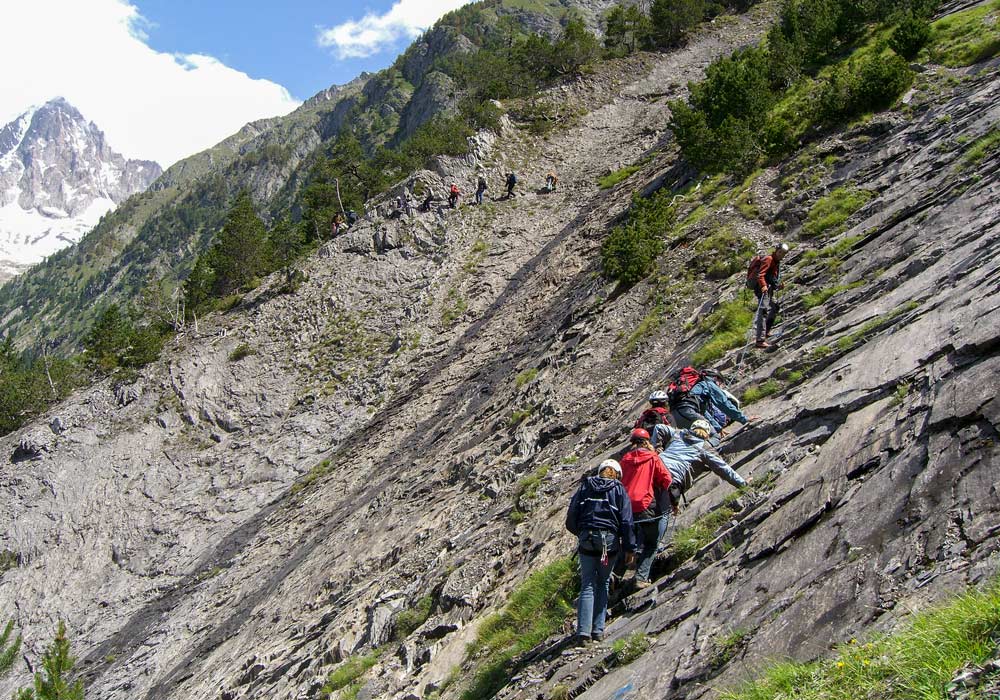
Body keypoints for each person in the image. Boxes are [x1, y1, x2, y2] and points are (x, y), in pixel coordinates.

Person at [565, 459, 637, 644]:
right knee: (603, 582)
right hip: (609, 540)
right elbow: (627, 521)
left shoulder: (585, 486)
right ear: (617, 474)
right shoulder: (619, 490)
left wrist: (579, 532)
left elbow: (572, 514)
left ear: (601, 470)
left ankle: (583, 633)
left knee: (587, 583)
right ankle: (598, 630)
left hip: (586, 538)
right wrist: (629, 547)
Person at [620, 428, 672, 588]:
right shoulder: (652, 457)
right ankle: (641, 578)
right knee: (651, 543)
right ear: (647, 441)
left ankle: (614, 577)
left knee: (628, 544)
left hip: (626, 508)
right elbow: (666, 479)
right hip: (646, 504)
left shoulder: (624, 460)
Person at [658, 420, 747, 514]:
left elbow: (659, 427)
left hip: (655, 465)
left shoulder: (679, 433)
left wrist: (656, 447)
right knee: (662, 512)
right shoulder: (705, 447)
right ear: (707, 434)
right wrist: (742, 484)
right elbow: (723, 467)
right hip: (672, 478)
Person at [688, 372, 755, 436]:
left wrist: (718, 428)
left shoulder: (696, 390)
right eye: (720, 382)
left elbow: (703, 412)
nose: (719, 386)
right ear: (716, 378)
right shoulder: (709, 384)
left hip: (682, 414)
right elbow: (724, 404)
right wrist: (744, 419)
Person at [750, 243, 789, 348]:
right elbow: (761, 274)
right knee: (763, 310)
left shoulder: (776, 262)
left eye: (783, 253)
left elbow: (770, 277)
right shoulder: (769, 259)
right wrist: (763, 286)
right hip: (763, 289)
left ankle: (766, 331)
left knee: (774, 307)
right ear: (776, 250)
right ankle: (760, 340)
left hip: (768, 288)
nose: (781, 255)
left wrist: (778, 286)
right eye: (780, 252)